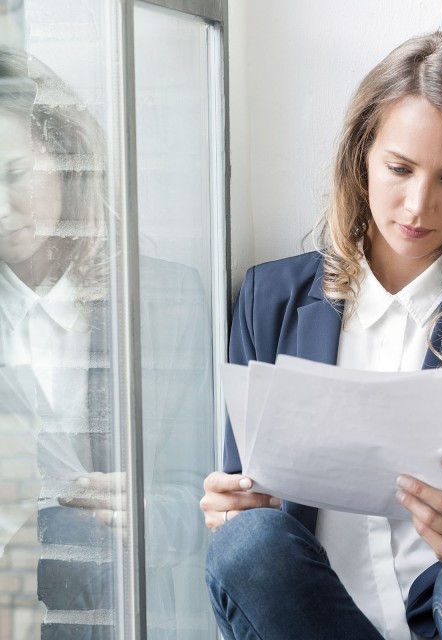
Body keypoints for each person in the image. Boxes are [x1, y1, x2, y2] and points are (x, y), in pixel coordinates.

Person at [200, 30, 442, 640]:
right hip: (319, 618)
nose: (418, 205)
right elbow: (249, 484)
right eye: (400, 169)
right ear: (362, 156)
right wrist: (230, 507)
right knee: (248, 542)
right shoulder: (270, 299)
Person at [0, 48, 212, 639]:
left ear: (64, 158)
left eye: (15, 175)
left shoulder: (165, 299)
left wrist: (140, 513)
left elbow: (206, 501)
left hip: (116, 596)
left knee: (79, 542)